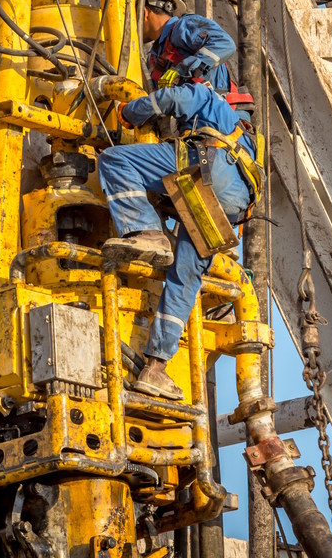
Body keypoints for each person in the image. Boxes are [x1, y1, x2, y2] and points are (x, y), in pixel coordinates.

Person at [96, 81, 260, 400]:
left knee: (116, 160)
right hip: (228, 205)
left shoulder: (213, 102)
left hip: (206, 169)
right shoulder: (251, 148)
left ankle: (148, 235)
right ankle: (155, 369)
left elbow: (176, 97)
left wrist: (128, 112)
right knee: (184, 280)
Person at [142, 0, 252, 110]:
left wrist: (183, 69)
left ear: (144, 13)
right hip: (196, 120)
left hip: (221, 116)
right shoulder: (155, 56)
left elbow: (225, 44)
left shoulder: (182, 27)